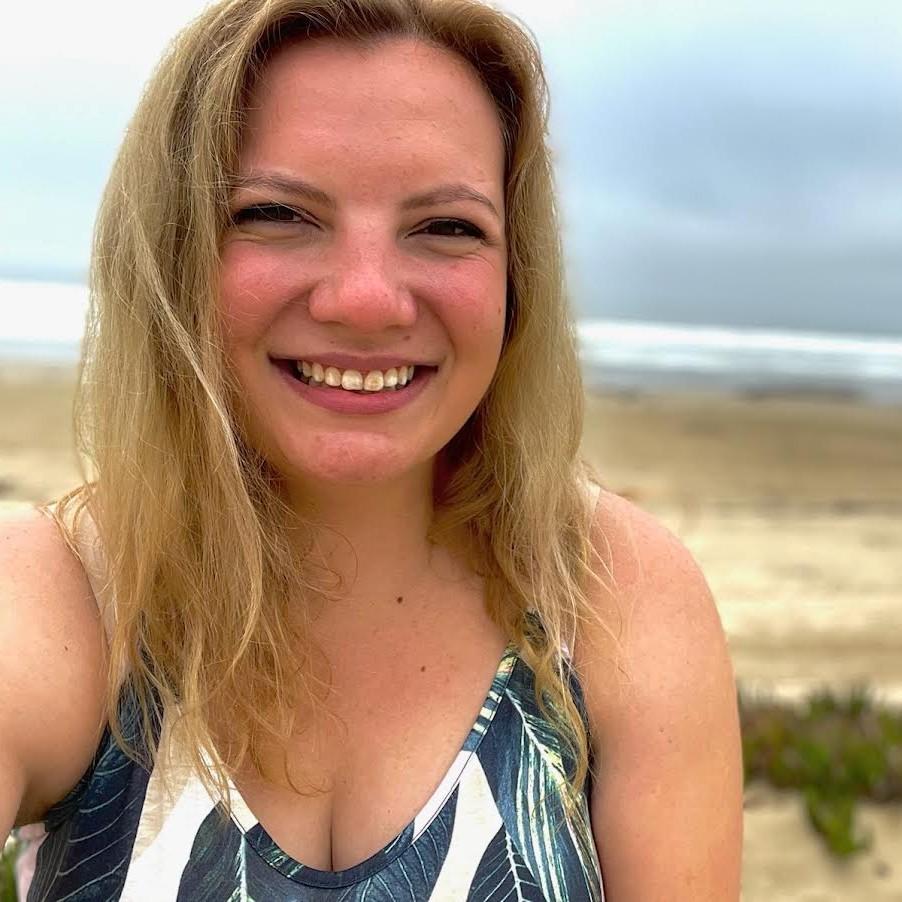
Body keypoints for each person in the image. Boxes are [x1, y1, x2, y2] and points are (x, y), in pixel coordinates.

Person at [0, 0, 743, 898]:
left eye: (447, 227)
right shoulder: (64, 600)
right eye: (278, 213)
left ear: (517, 279)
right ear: (172, 249)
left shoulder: (615, 599)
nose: (366, 300)